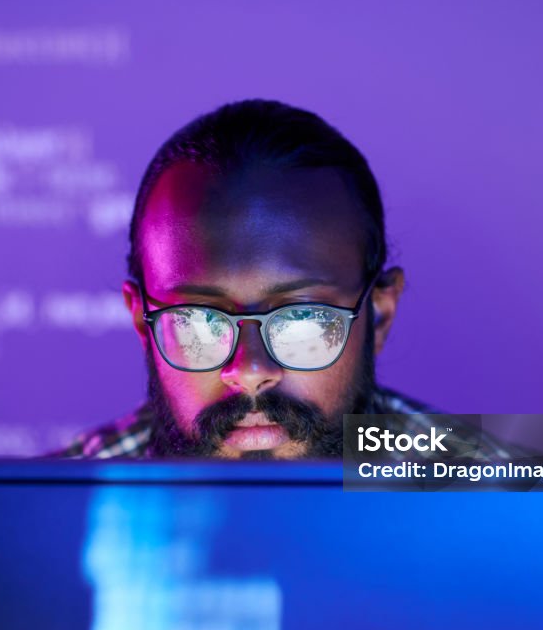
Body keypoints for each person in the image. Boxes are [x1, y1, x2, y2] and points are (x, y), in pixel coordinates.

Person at [57, 99, 439, 460]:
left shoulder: (485, 495)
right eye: (199, 322)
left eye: (301, 320)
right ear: (142, 322)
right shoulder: (44, 513)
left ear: (379, 315)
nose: (250, 372)